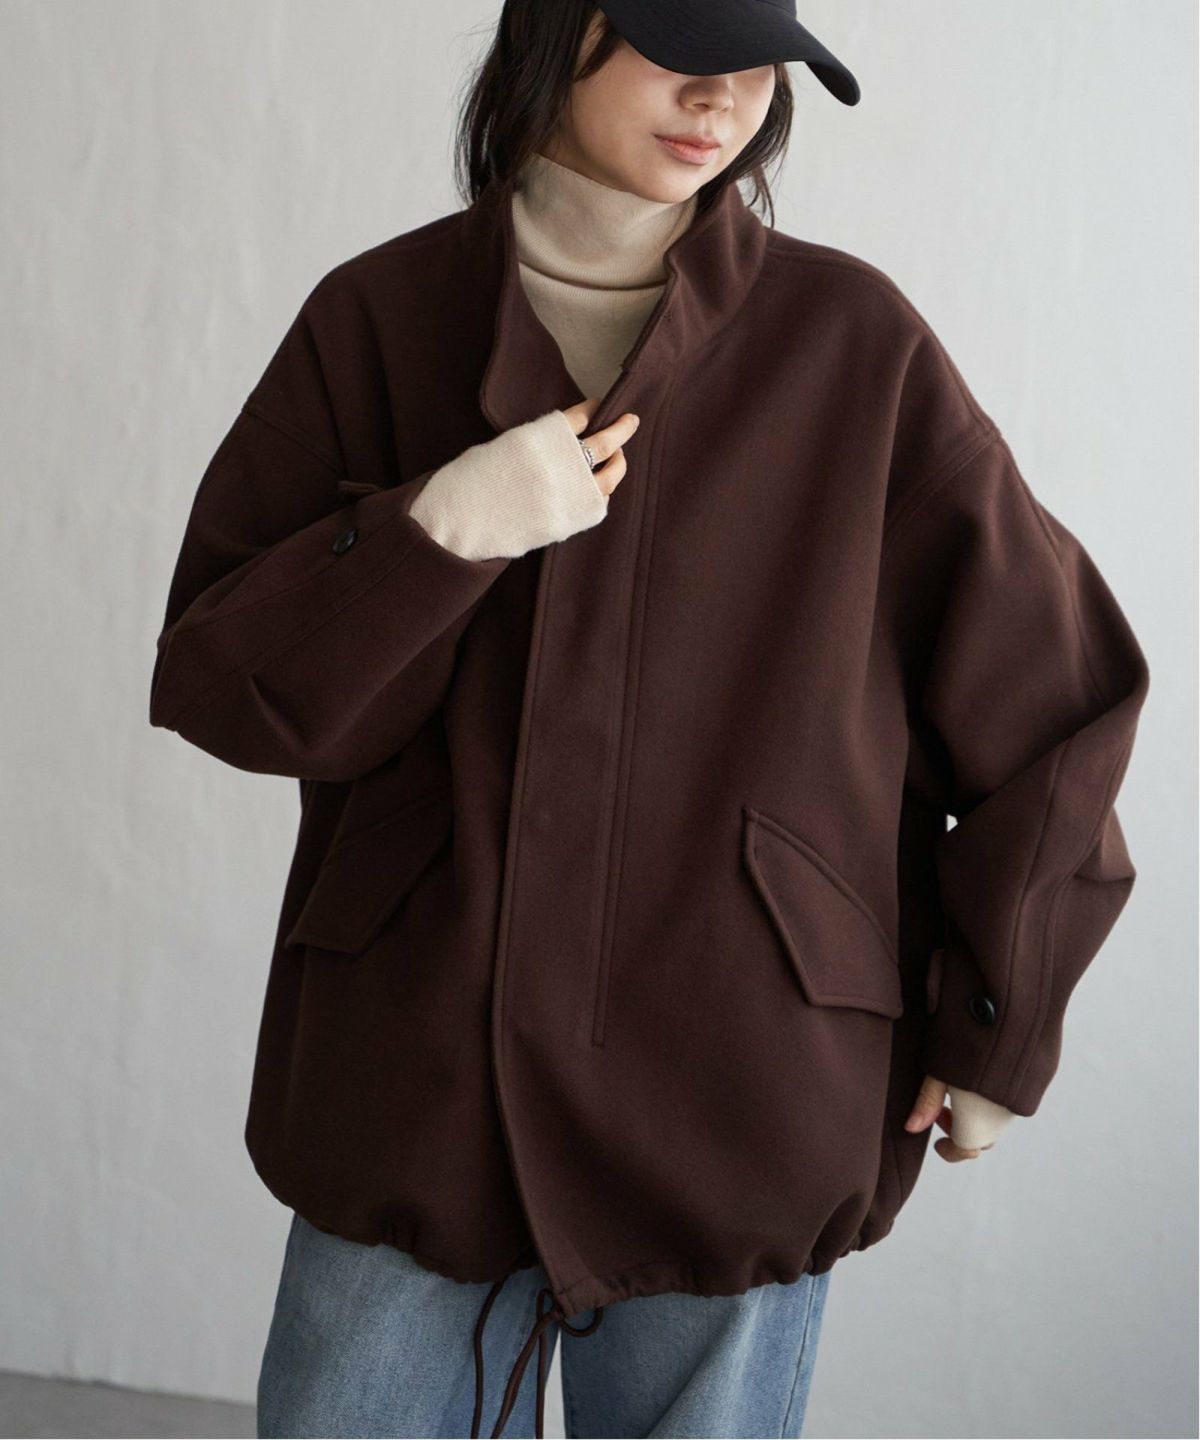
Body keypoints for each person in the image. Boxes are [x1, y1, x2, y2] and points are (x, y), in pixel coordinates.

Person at [148, 3, 1150, 1437]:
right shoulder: (379, 319)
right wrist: (439, 532)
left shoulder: (851, 347)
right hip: (420, 1076)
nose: (724, 99)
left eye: (759, 64)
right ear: (561, 31)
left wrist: (1000, 1013)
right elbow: (222, 680)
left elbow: (1055, 696)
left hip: (740, 1083)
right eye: (681, 48)